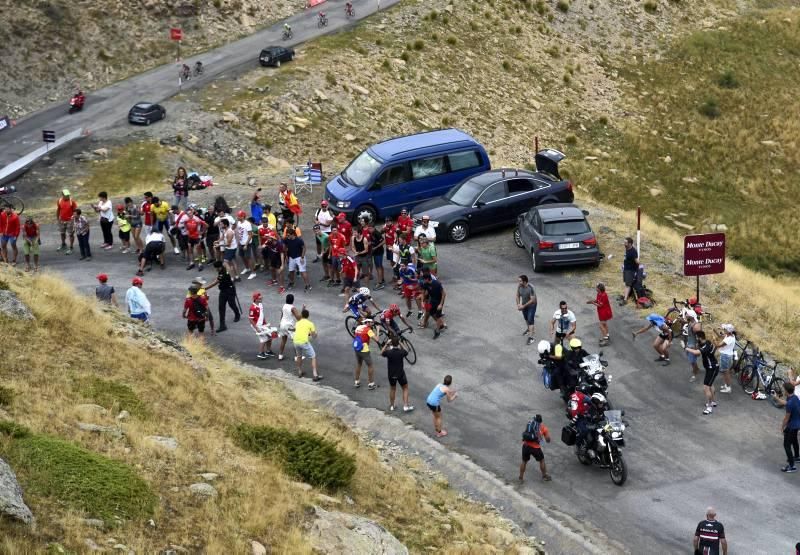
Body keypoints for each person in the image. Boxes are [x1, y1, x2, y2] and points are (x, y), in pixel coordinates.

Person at [685, 331, 720, 415]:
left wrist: (685, 348)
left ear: (700, 337)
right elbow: (698, 353)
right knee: (711, 385)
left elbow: (696, 353)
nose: (696, 339)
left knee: (706, 388)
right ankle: (713, 402)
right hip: (711, 367)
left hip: (712, 368)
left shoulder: (705, 346)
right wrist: (696, 346)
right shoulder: (707, 342)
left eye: (697, 337)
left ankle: (709, 407)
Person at [207, 260, 241, 332]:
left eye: (215, 268)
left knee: (231, 304)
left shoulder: (224, 273)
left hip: (230, 290)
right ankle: (222, 325)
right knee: (221, 307)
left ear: (218, 267)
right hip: (223, 291)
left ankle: (237, 314)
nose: (215, 269)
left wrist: (206, 288)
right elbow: (218, 277)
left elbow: (216, 282)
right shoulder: (221, 270)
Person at [381, 337, 413, 412]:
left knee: (392, 389)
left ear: (391, 343)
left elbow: (382, 353)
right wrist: (400, 343)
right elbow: (406, 351)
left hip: (391, 374)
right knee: (405, 388)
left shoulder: (389, 352)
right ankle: (405, 406)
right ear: (398, 343)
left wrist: (386, 344)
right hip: (400, 374)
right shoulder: (401, 352)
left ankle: (392, 406)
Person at [519, 414, 551, 482]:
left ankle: (521, 477)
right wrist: (547, 438)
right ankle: (544, 476)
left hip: (525, 446)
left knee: (524, 461)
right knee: (542, 460)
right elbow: (548, 440)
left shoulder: (530, 424)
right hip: (535, 448)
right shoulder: (543, 427)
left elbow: (526, 433)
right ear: (541, 421)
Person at [294, 308, 322, 381]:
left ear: (302, 315)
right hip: (304, 342)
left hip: (296, 341)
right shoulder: (310, 324)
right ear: (308, 316)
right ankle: (315, 374)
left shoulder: (297, 323)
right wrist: (316, 333)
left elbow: (298, 330)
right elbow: (313, 336)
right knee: (313, 356)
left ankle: (300, 372)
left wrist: (308, 333)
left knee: (299, 356)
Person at [249, 292, 276, 359]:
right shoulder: (252, 308)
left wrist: (266, 324)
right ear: (256, 299)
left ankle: (268, 351)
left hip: (262, 325)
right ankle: (260, 353)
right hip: (257, 325)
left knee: (270, 336)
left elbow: (262, 315)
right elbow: (251, 319)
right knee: (264, 339)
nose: (261, 298)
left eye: (261, 297)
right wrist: (256, 328)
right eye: (260, 298)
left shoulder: (260, 304)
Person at [353, 319, 379, 389]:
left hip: (357, 348)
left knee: (359, 364)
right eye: (371, 322)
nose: (372, 324)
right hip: (364, 350)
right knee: (370, 366)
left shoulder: (358, 327)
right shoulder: (368, 330)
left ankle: (356, 382)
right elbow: (377, 339)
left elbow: (355, 336)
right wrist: (378, 330)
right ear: (367, 322)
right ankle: (371, 384)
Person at [780, 381, 800, 473]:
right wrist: (776, 398)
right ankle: (797, 457)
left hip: (791, 426)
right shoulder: (794, 397)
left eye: (784, 389)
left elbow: (786, 418)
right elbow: (786, 403)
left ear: (787, 391)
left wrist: (782, 427)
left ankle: (792, 466)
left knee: (786, 445)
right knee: (795, 440)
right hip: (797, 424)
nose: (783, 391)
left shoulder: (790, 402)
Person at [284, 226, 311, 291]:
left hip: (299, 257)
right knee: (291, 271)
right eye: (287, 235)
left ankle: (307, 285)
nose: (287, 236)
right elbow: (285, 248)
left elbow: (304, 248)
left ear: (292, 234)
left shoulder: (299, 240)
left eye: (288, 235)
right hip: (291, 257)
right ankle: (292, 282)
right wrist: (287, 257)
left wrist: (302, 257)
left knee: (302, 271)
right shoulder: (287, 240)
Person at [420, 272, 446, 339]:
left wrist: (440, 304)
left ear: (427, 279)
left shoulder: (437, 283)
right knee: (431, 312)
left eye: (424, 279)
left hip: (439, 301)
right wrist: (422, 302)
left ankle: (437, 331)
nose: (423, 280)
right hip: (432, 300)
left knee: (437, 315)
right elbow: (423, 293)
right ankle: (441, 324)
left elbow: (444, 294)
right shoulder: (425, 284)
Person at [277, 294, 302, 361]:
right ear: (293, 300)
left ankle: (280, 355)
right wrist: (303, 310)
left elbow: (282, 315)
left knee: (283, 340)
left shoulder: (284, 306)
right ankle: (297, 357)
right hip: (289, 326)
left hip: (282, 324)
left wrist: (280, 323)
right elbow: (298, 318)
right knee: (295, 341)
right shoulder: (293, 308)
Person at [235, 210, 256, 279]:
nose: (237, 217)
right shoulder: (238, 223)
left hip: (246, 244)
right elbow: (238, 232)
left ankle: (253, 272)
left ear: (242, 216)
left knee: (249, 258)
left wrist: (246, 244)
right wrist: (238, 242)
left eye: (238, 216)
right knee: (242, 256)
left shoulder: (247, 224)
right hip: (241, 243)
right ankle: (247, 268)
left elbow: (250, 235)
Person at [517, 275, 537, 344]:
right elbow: (517, 295)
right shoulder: (519, 286)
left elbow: (532, 300)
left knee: (530, 319)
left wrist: (523, 306)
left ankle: (531, 338)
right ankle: (529, 329)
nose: (518, 282)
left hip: (532, 305)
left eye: (520, 281)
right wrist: (518, 304)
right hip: (524, 305)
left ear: (524, 281)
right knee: (526, 318)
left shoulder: (530, 288)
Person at [715, 324, 736, 394]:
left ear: (728, 331)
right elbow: (721, 336)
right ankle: (726, 385)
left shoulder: (729, 339)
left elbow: (718, 345)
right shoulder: (730, 335)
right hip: (727, 356)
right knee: (725, 372)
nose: (724, 330)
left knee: (726, 372)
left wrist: (714, 340)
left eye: (725, 329)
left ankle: (728, 387)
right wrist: (715, 331)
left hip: (725, 356)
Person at [56, 189, 77, 254]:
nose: (67, 196)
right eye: (66, 195)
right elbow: (58, 209)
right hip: (62, 220)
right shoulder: (59, 201)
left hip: (70, 220)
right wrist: (57, 218)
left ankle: (71, 247)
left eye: (68, 195)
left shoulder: (72, 201)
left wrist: (74, 219)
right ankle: (63, 244)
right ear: (62, 195)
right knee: (62, 233)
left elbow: (75, 211)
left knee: (71, 234)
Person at [621, 237, 639, 305]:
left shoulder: (633, 251)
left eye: (625, 243)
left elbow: (637, 261)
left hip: (630, 270)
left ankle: (625, 300)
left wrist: (637, 269)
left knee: (627, 285)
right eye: (624, 242)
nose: (624, 244)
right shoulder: (627, 248)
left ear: (630, 244)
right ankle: (626, 296)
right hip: (626, 268)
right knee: (626, 283)